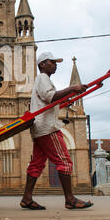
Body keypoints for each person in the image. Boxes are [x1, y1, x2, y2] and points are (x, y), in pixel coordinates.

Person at [20, 52, 94, 210]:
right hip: (47, 128)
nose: (55, 64)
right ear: (42, 64)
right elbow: (51, 97)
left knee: (37, 164)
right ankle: (70, 199)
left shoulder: (43, 80)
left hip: (40, 129)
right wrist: (73, 88)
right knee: (65, 161)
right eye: (52, 62)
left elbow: (50, 100)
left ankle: (27, 198)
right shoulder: (42, 78)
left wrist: (65, 98)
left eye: (55, 62)